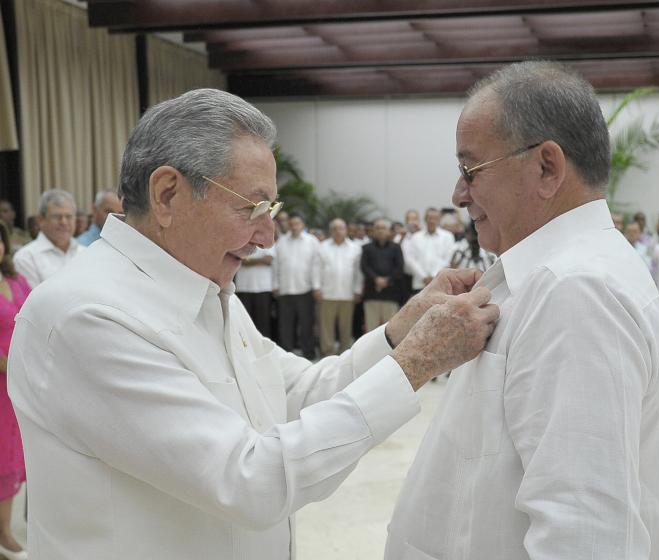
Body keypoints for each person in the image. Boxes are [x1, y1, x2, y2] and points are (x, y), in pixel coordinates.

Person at [9, 89, 499, 560]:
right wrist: (415, 365)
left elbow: (300, 392)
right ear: (167, 194)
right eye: (252, 207)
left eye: (272, 210)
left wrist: (401, 332)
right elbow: (248, 480)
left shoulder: (207, 291)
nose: (266, 237)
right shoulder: (88, 317)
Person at [385, 61, 659, 560]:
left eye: (470, 170)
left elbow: (585, 534)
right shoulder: (549, 278)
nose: (458, 196)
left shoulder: (577, 292)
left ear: (547, 167)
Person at [0, 223, 30, 560]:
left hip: (19, 384)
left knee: (15, 453)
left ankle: (6, 527)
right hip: (1, 382)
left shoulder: (16, 280)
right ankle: (5, 532)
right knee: (2, 457)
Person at [12, 190, 84, 288]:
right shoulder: (25, 258)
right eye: (57, 216)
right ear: (41, 220)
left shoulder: (86, 252)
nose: (64, 222)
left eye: (69, 216)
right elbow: (35, 301)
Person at [272, 213, 319, 360]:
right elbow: (275, 265)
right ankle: (286, 353)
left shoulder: (312, 241)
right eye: (291, 224)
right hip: (285, 289)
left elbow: (316, 265)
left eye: (297, 224)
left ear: (303, 225)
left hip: (305, 289)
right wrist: (275, 285)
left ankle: (308, 352)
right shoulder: (281, 242)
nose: (294, 227)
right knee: (285, 325)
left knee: (306, 324)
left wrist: (316, 286)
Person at [312, 219, 362, 356]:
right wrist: (316, 288)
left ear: (346, 230)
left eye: (341, 228)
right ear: (331, 231)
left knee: (346, 327)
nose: (338, 231)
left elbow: (358, 272)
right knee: (326, 327)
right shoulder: (322, 247)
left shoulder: (355, 248)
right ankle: (328, 353)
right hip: (327, 293)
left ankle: (345, 353)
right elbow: (316, 268)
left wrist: (357, 290)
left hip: (348, 294)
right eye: (334, 228)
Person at [361, 218, 404, 331]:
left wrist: (387, 280)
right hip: (371, 294)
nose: (380, 231)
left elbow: (399, 267)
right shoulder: (366, 248)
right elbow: (364, 267)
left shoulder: (396, 248)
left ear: (389, 231)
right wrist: (376, 279)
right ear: (373, 231)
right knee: (371, 330)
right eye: (377, 228)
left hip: (391, 294)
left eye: (383, 228)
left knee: (389, 330)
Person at [403, 207, 456, 294]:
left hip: (440, 283)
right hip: (419, 283)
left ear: (439, 220)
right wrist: (423, 277)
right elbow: (411, 259)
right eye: (429, 218)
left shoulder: (448, 237)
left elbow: (447, 259)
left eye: (435, 218)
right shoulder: (416, 237)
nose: (432, 221)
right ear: (424, 219)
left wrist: (434, 276)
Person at [234, 246, 276, 338]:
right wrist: (260, 260)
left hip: (263, 288)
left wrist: (248, 260)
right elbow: (239, 259)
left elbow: (269, 260)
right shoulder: (241, 241)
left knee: (263, 323)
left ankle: (264, 349)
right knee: (244, 322)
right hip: (243, 288)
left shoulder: (266, 241)